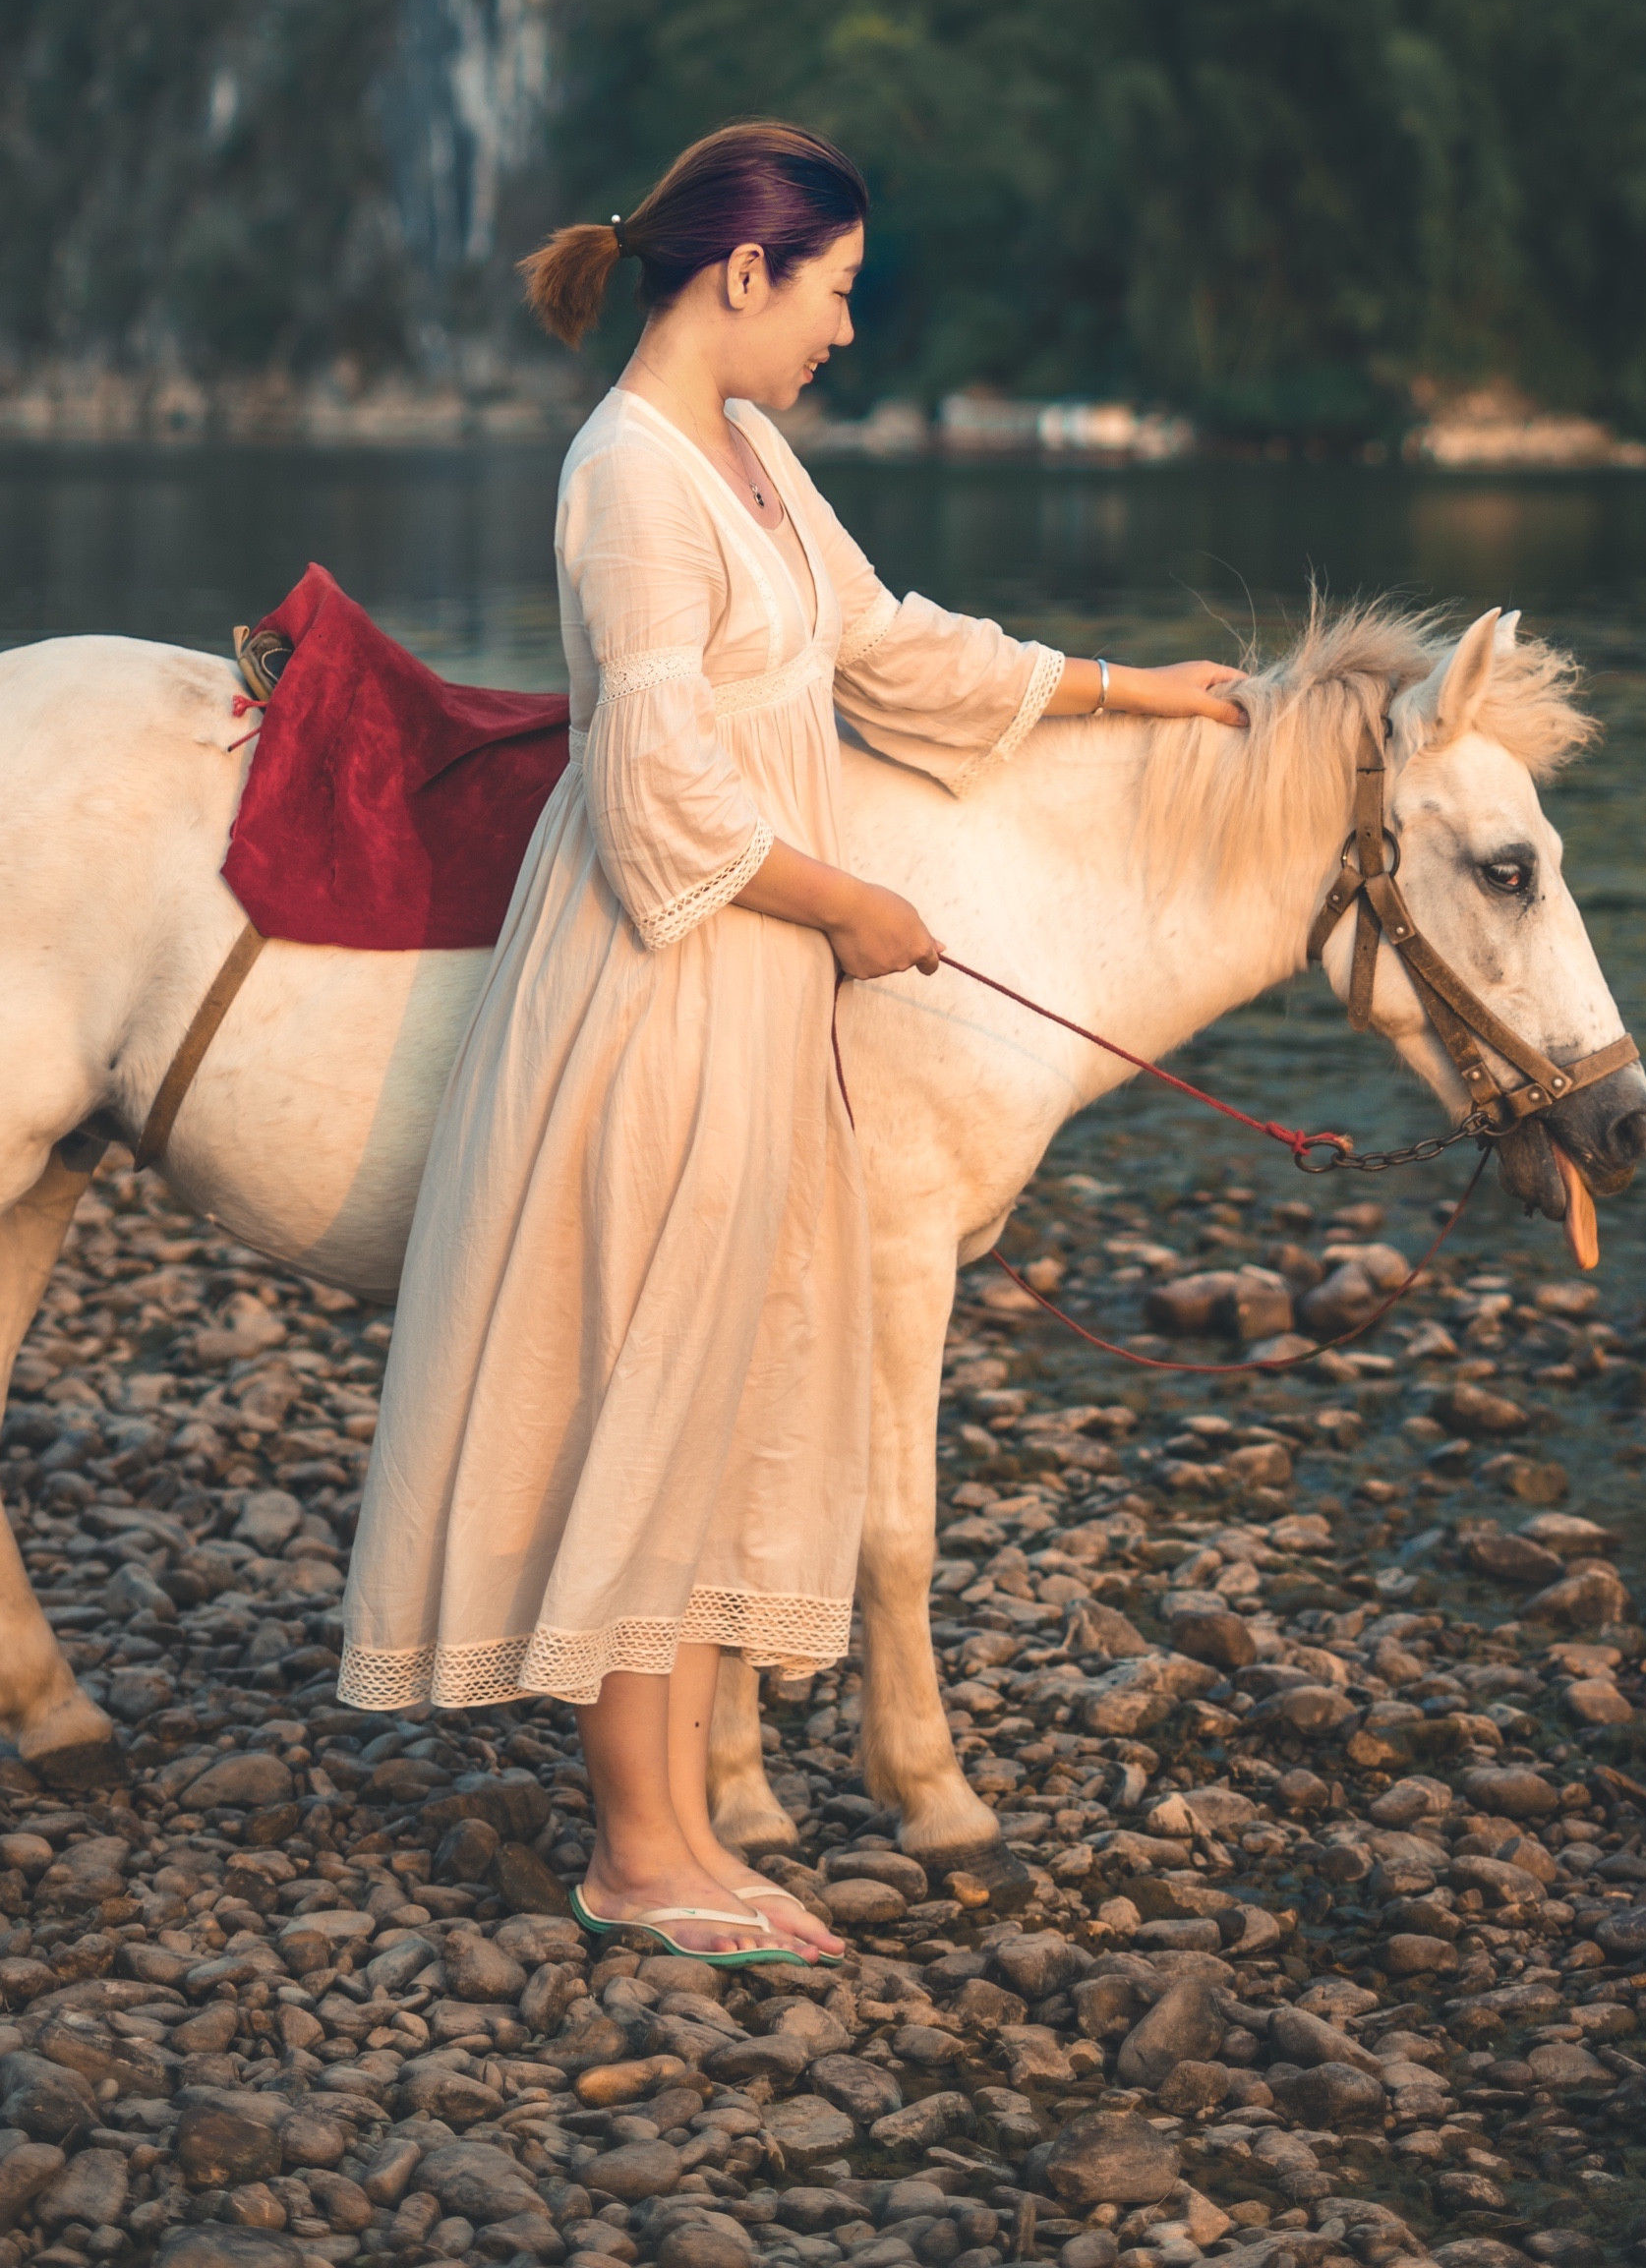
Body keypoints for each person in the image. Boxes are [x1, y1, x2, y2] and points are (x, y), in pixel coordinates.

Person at [337, 118, 1243, 1963]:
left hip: (745, 983)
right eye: (832, 291)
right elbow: (652, 791)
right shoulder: (630, 476)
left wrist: (1133, 692)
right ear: (742, 275)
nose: (842, 332)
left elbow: (895, 648)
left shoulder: (744, 455)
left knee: (714, 1388)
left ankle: (670, 1832)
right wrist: (854, 906)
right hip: (654, 981)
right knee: (646, 1384)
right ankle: (636, 1848)